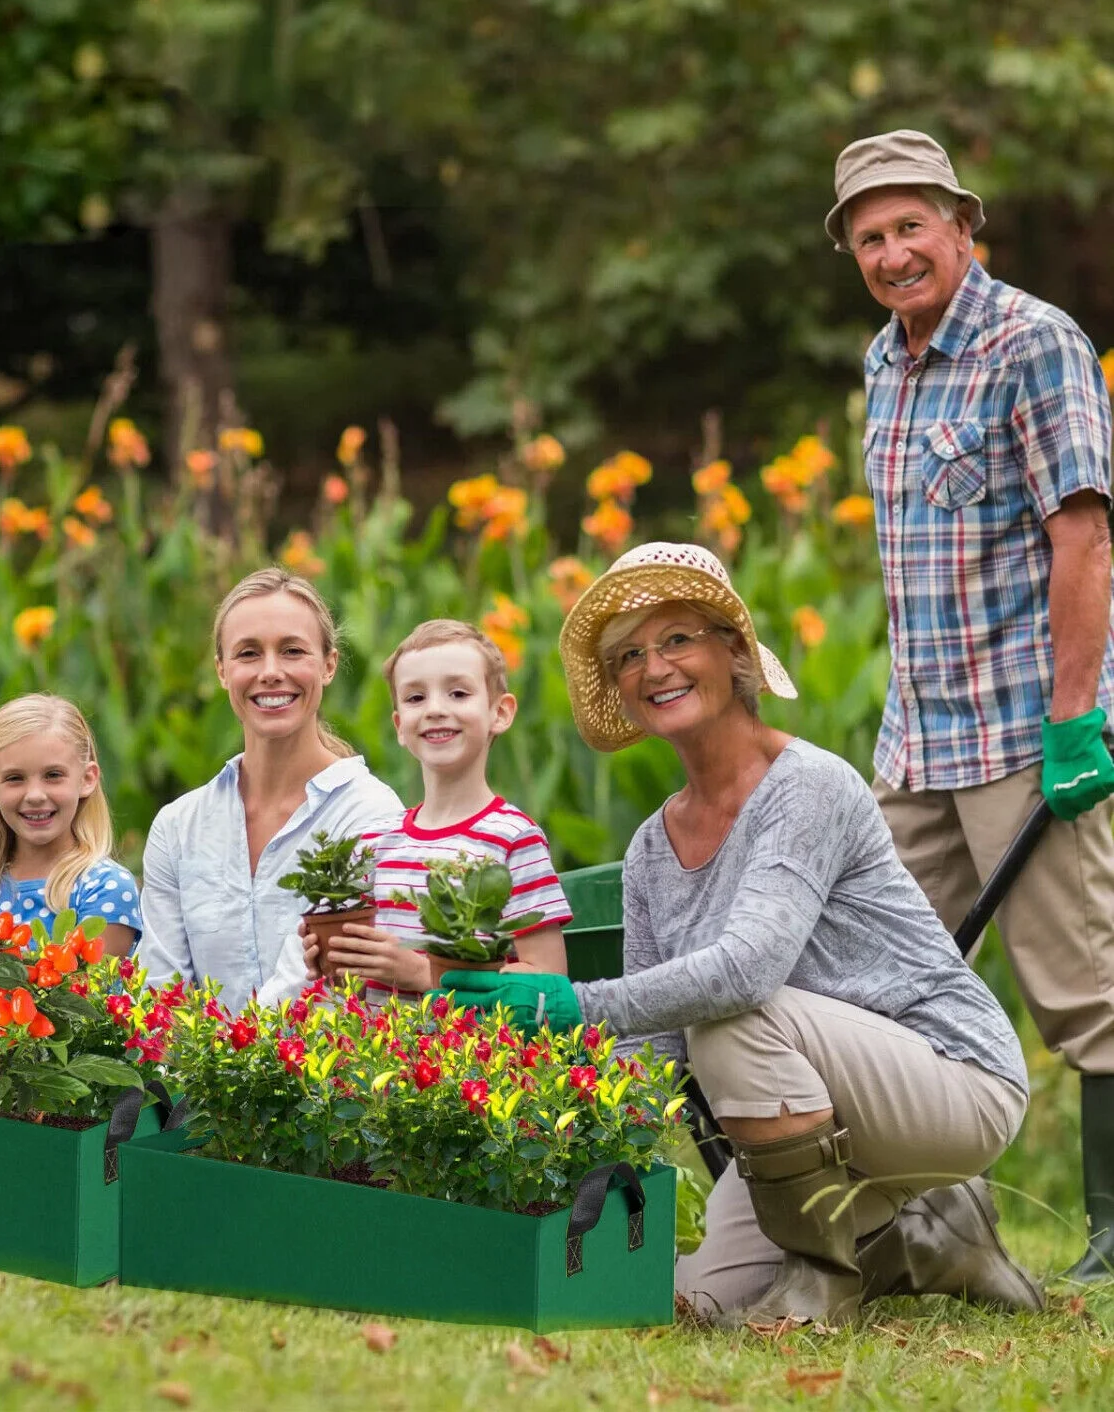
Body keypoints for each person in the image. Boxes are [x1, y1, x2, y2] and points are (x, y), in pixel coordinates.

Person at [440, 543, 1040, 1327]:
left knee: (729, 1017)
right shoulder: (650, 849)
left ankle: (823, 1284)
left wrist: (571, 1004)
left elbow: (748, 972)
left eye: (677, 639)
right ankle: (923, 1239)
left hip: (951, 1080)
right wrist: (555, 1129)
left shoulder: (809, 787)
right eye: (629, 655)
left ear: (733, 650)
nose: (654, 667)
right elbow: (651, 1056)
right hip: (811, 1115)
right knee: (692, 1302)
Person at [829, 128, 1114, 1286]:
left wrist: (1073, 721)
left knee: (1086, 984)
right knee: (878, 981)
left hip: (1022, 732)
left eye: (911, 226)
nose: (894, 252)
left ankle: (1112, 1229)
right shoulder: (882, 364)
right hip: (918, 739)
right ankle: (920, 1230)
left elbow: (1085, 539)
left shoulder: (1033, 343)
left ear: (962, 225)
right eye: (869, 236)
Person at [138, 569, 402, 1011]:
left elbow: (324, 993)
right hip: (194, 1076)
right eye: (248, 654)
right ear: (222, 671)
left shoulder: (370, 815)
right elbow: (161, 994)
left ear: (329, 665)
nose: (271, 672)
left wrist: (227, 1066)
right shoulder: (178, 828)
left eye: (292, 650)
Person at [303, 619, 570, 997]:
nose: (435, 709)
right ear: (399, 726)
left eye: (458, 694)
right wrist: (333, 958)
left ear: (500, 712)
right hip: (378, 1053)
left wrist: (426, 976)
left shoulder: (513, 838)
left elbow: (550, 983)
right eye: (415, 698)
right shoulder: (375, 841)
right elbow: (361, 981)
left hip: (471, 1055)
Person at [0, 693, 139, 953]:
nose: (35, 795)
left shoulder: (104, 887)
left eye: (53, 775)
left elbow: (86, 990)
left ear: (87, 779)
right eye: (15, 778)